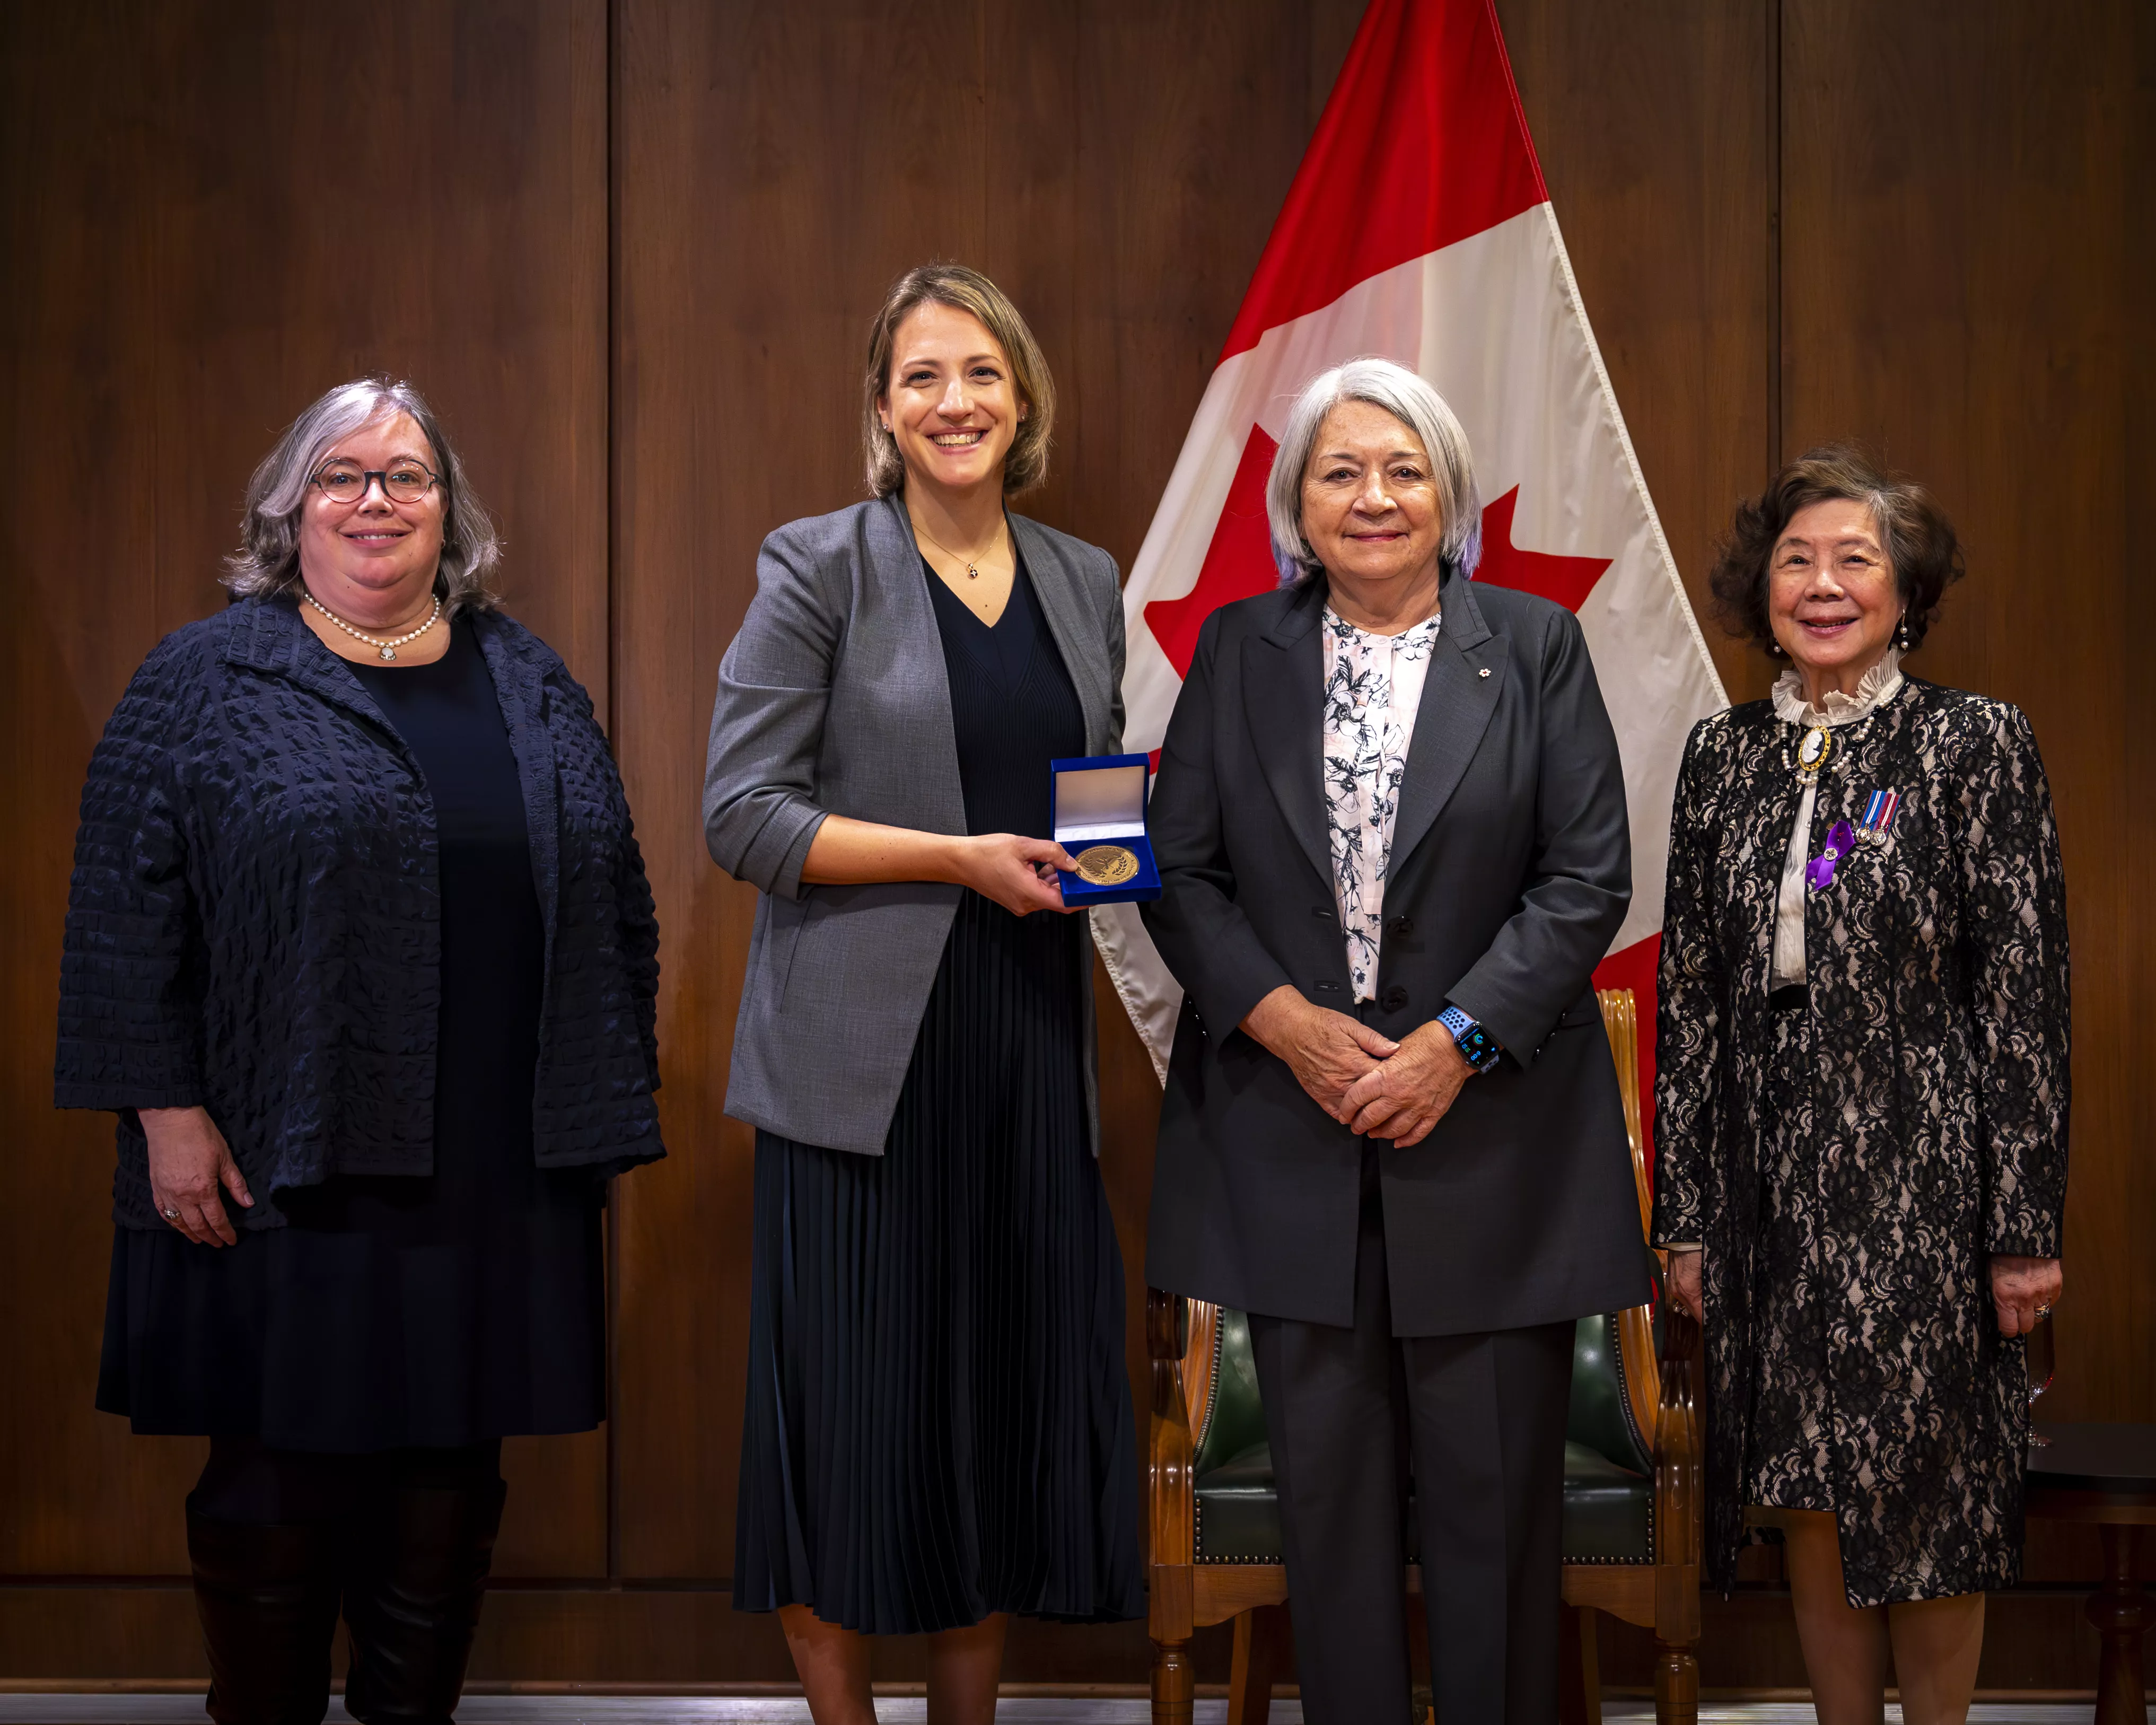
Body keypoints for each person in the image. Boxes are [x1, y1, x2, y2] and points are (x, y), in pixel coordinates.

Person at [57, 377, 664, 1725]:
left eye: (408, 475)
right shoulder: (205, 674)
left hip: (494, 1160)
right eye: (342, 475)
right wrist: (165, 1113)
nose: (376, 499)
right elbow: (118, 910)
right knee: (278, 1473)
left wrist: (595, 1108)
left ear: (451, 512)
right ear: (289, 507)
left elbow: (614, 900)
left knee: (446, 1482)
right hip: (282, 1157)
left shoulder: (527, 676)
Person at [1141, 357, 1647, 1723]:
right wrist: (1286, 1025)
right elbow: (1177, 872)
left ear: (1451, 494)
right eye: (1337, 471)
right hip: (1289, 1145)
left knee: (1496, 1537)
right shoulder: (1235, 651)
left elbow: (1583, 878)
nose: (1372, 497)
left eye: (1402, 468)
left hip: (1491, 1148)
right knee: (1332, 1532)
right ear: (1294, 504)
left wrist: (1454, 1045)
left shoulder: (1533, 646)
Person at [704, 263, 1142, 1724]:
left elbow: (1097, 792)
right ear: (881, 409)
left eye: (982, 375)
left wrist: (1110, 859)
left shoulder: (1083, 576)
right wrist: (954, 858)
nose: (954, 402)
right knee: (852, 1428)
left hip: (1025, 1044)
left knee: (991, 1423)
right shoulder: (817, 563)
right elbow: (744, 816)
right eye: (922, 377)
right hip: (859, 1075)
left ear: (1023, 400)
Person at [1653, 446, 2069, 1725]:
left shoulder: (1971, 742)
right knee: (1804, 1484)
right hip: (1763, 1181)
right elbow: (1685, 1003)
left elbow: (2023, 1001)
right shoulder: (1720, 754)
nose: (1821, 585)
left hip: (1924, 1176)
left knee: (1927, 1491)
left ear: (1904, 590)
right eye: (1795, 561)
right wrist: (1682, 1213)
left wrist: (2022, 1232)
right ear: (1759, 591)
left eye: (1853, 560)